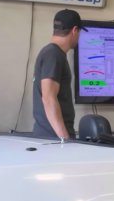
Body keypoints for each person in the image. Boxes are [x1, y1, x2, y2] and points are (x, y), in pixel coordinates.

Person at [32, 9, 86, 140]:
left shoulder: (51, 53)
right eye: (79, 33)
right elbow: (49, 98)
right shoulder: (53, 55)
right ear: (74, 30)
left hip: (52, 137)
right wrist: (64, 138)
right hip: (54, 139)